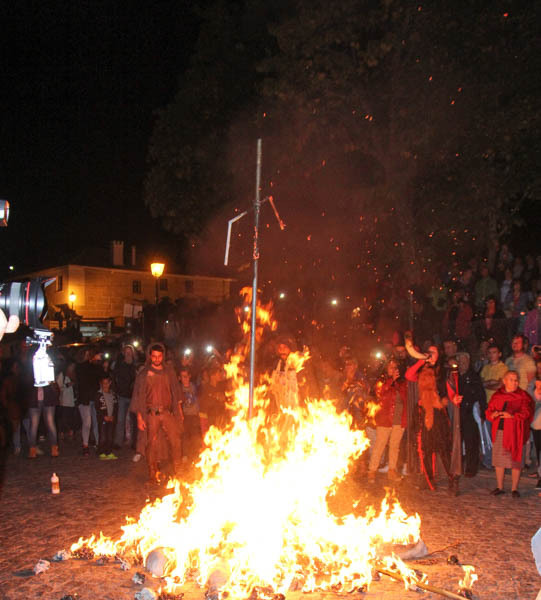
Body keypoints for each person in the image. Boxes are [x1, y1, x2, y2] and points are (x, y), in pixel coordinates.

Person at [405, 345, 459, 493]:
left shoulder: (443, 371)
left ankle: (452, 479)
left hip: (438, 413)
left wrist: (454, 398)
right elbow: (409, 375)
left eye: (433, 352)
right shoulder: (421, 369)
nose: (430, 354)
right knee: (425, 448)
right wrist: (421, 361)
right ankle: (428, 479)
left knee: (443, 448)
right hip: (423, 412)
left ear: (438, 355)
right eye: (428, 351)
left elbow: (449, 391)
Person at [130, 343, 184, 482]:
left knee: (175, 440)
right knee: (151, 444)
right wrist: (140, 417)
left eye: (159, 356)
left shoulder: (169, 372)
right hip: (151, 414)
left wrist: (179, 411)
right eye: (154, 356)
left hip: (166, 412)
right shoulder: (144, 374)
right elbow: (138, 396)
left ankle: (178, 471)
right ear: (150, 356)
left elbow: (176, 392)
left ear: (163, 356)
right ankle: (152, 473)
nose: (157, 359)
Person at [485, 370, 534, 497]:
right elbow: (489, 410)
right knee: (499, 460)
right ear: (504, 381)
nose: (515, 382)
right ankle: (499, 487)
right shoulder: (497, 395)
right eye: (511, 379)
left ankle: (514, 488)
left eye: (516, 380)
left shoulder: (522, 396)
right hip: (500, 430)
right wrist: (492, 415)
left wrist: (512, 416)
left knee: (515, 461)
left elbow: (526, 412)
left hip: (515, 432)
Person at [368, 360, 408, 483]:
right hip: (385, 419)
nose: (393, 369)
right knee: (380, 444)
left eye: (395, 367)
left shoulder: (402, 383)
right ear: (386, 369)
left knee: (395, 446)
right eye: (391, 367)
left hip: (399, 419)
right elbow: (381, 395)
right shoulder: (382, 382)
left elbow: (405, 398)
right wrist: (391, 381)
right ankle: (372, 471)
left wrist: (397, 383)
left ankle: (392, 470)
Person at [447, 352, 486, 477]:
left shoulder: (474, 376)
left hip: (470, 412)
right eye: (460, 361)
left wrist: (483, 412)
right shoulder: (454, 375)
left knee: (471, 441)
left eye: (465, 361)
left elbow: (481, 394)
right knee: (457, 440)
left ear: (469, 362)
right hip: (458, 411)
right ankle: (457, 465)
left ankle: (471, 467)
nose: (463, 363)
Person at [25, 375, 60, 458]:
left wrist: (50, 381)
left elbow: (53, 383)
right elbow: (26, 383)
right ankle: (32, 450)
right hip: (34, 399)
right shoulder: (29, 370)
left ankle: (54, 448)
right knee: (34, 425)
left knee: (50, 423)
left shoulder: (48, 369)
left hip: (48, 398)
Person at [76, 348, 101, 455]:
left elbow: (101, 375)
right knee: (87, 423)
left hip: (93, 398)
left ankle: (98, 443)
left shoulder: (94, 366)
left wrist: (99, 363)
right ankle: (85, 445)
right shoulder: (80, 367)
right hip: (84, 398)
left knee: (96, 422)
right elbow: (83, 376)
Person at [112, 345, 137, 448]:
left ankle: (133, 442)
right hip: (122, 395)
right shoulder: (120, 365)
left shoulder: (135, 365)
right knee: (120, 419)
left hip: (133, 396)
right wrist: (116, 390)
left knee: (133, 420)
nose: (128, 354)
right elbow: (114, 377)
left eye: (129, 352)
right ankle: (118, 442)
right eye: (126, 352)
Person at [0, 359, 24, 455]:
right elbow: (4, 395)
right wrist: (7, 406)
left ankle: (31, 445)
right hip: (13, 406)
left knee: (27, 425)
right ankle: (16, 446)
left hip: (21, 405)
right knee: (15, 427)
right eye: (15, 367)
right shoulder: (8, 380)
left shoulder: (20, 378)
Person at [179, 367, 201, 463]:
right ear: (180, 378)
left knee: (195, 435)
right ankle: (185, 454)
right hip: (185, 415)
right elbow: (177, 403)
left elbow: (199, 398)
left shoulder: (194, 386)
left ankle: (196, 454)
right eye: (182, 376)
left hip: (195, 415)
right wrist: (180, 415)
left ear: (189, 376)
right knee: (185, 436)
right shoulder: (179, 389)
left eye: (186, 376)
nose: (185, 378)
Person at [56, 361, 78, 441]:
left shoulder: (74, 375)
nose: (72, 368)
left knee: (71, 418)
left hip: (72, 400)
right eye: (71, 366)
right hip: (64, 401)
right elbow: (58, 387)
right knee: (64, 419)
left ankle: (70, 433)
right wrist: (67, 385)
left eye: (73, 367)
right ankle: (62, 433)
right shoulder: (62, 375)